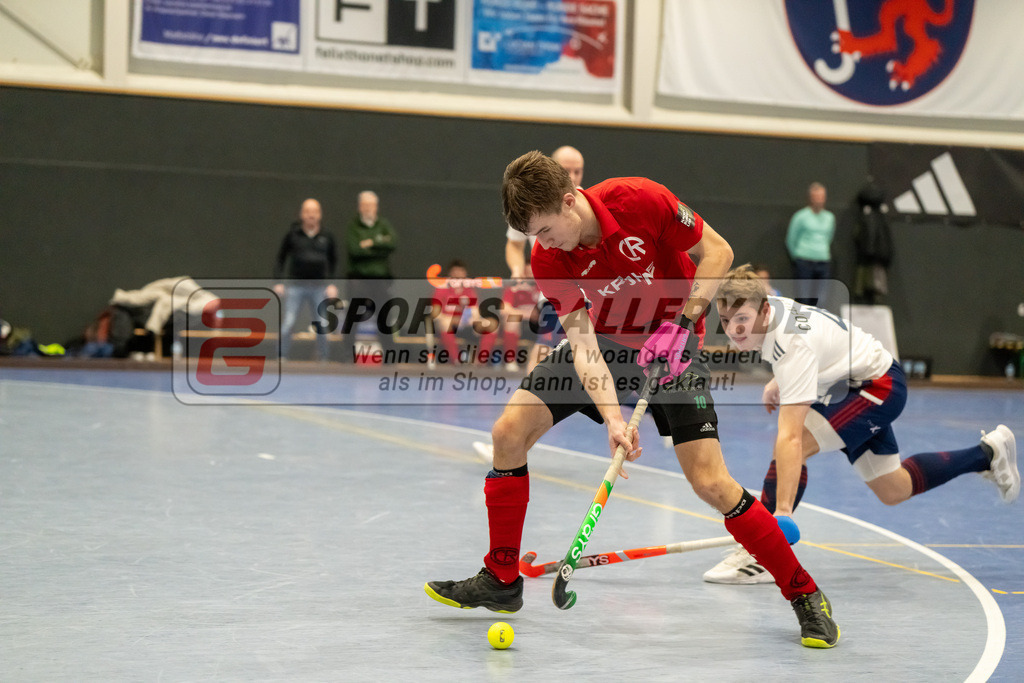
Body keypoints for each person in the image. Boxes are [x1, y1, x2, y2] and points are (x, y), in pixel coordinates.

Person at [426, 151, 840, 649]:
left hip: (675, 345)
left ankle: (803, 592)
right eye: (534, 235)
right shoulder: (548, 258)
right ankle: (501, 577)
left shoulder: (639, 199)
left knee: (710, 482)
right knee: (508, 433)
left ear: (569, 199)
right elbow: (581, 346)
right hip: (605, 344)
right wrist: (612, 420)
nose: (543, 243)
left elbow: (719, 253)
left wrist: (682, 324)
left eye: (545, 229)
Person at [704, 264, 1020, 585]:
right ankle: (986, 454)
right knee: (893, 489)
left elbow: (790, 438)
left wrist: (783, 513)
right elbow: (813, 344)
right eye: (726, 320)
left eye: (742, 319)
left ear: (764, 310)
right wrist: (779, 379)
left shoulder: (792, 345)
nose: (733, 330)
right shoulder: (771, 310)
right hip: (849, 381)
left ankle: (764, 551)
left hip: (875, 388)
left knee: (796, 440)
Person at [273, 198, 338, 361]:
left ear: (320, 215)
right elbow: (280, 259)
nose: (311, 215)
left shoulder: (327, 236)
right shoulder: (293, 235)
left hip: (319, 288)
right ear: (302, 214)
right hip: (296, 287)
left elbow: (334, 261)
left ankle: (324, 359)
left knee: (322, 324)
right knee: (288, 322)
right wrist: (278, 282)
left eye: (314, 212)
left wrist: (331, 283)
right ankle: (281, 357)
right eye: (307, 212)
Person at [345, 190, 398, 363]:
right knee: (353, 316)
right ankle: (347, 355)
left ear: (376, 207)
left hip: (380, 279)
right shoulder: (353, 226)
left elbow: (392, 243)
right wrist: (379, 246)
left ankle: (390, 354)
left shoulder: (383, 224)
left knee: (384, 316)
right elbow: (355, 250)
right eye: (365, 205)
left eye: (372, 205)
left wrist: (371, 243)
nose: (368, 208)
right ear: (360, 207)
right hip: (359, 279)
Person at [431, 260, 499, 365]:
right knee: (445, 323)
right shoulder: (442, 289)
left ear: (465, 274)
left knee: (492, 324)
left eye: (461, 272)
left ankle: (481, 361)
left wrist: (473, 319)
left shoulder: (469, 290)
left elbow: (474, 310)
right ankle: (456, 360)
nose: (458, 275)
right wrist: (448, 319)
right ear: (450, 274)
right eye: (455, 272)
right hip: (449, 324)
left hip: (466, 325)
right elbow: (435, 313)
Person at [786, 182, 835, 309]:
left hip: (823, 262)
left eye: (821, 196)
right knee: (803, 298)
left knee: (821, 299)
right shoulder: (800, 216)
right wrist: (798, 256)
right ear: (810, 198)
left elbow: (829, 237)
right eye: (816, 196)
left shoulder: (830, 218)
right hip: (804, 262)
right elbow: (791, 239)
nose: (819, 200)